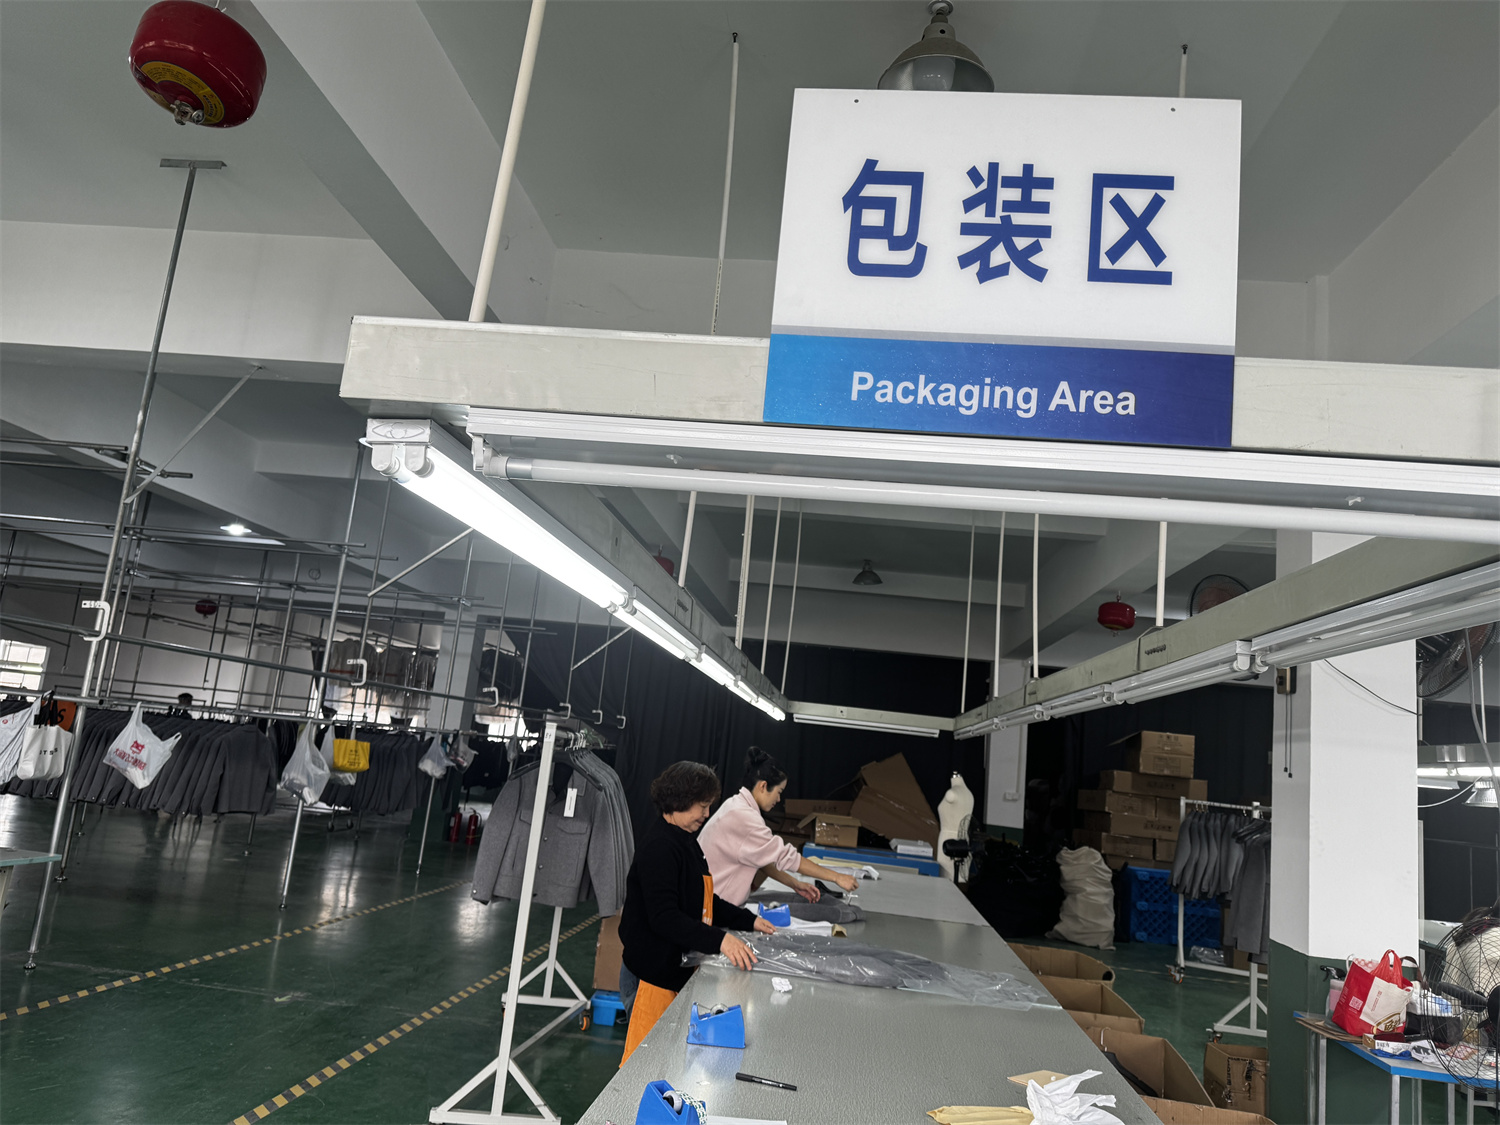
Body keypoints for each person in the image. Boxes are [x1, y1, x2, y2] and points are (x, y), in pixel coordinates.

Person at [618, 761, 775, 1067]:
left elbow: (702, 900)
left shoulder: (684, 840)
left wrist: (748, 920)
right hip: (651, 976)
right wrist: (720, 940)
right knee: (642, 1064)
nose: (706, 814)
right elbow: (664, 917)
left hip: (671, 971)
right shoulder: (660, 848)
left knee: (663, 1060)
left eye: (708, 806)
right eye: (702, 806)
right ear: (678, 800)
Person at [697, 747, 860, 906]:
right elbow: (786, 857)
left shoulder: (735, 805)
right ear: (763, 786)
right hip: (713, 908)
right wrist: (837, 877)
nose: (779, 799)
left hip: (711, 902)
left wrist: (795, 884)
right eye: (779, 791)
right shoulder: (744, 817)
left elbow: (762, 859)